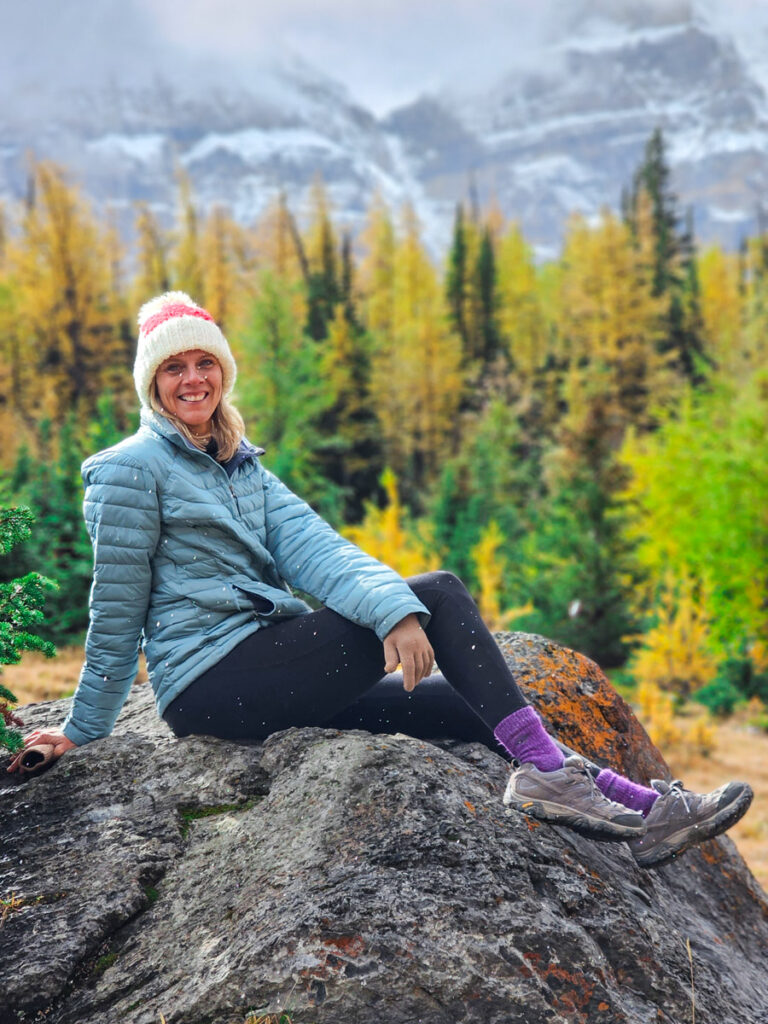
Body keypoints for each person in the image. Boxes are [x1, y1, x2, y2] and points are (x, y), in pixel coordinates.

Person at [7, 292, 752, 869]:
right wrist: (82, 727)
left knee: (467, 707)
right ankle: (560, 780)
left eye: (204, 363)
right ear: (152, 385)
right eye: (174, 368)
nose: (192, 379)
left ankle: (646, 816)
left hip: (265, 670)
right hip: (211, 684)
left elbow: (323, 553)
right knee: (443, 591)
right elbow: (115, 610)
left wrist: (390, 610)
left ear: (223, 373)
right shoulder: (128, 471)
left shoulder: (244, 467)